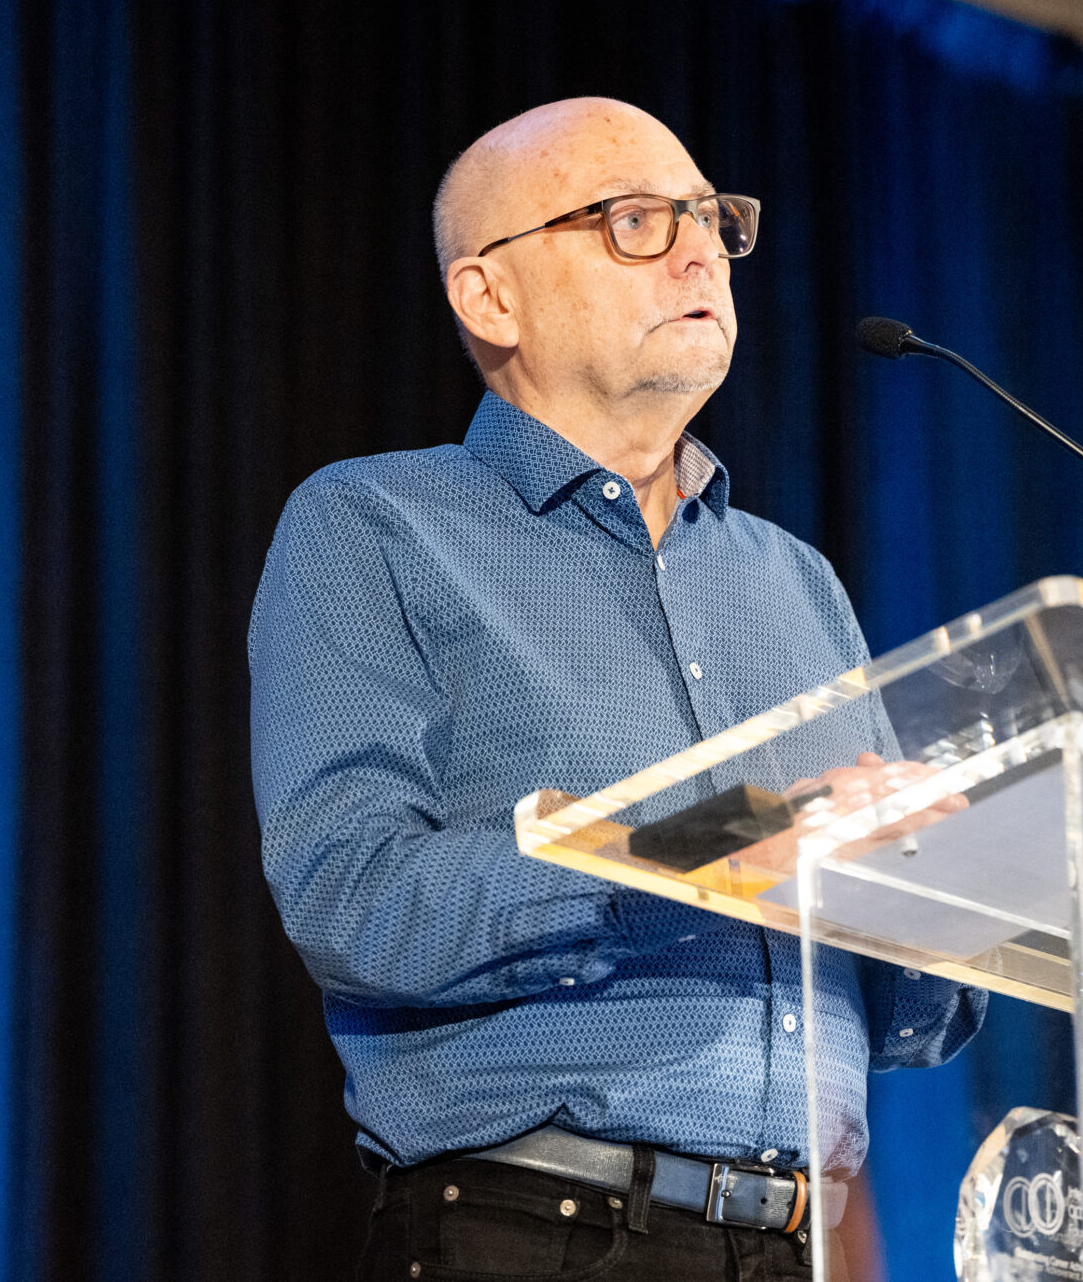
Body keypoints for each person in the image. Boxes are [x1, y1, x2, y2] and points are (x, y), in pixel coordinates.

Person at [249, 97, 985, 1281]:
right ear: (490, 296)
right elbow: (354, 901)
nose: (702, 249)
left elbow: (912, 1020)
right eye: (635, 220)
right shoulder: (373, 524)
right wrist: (715, 841)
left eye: (711, 218)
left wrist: (946, 897)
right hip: (541, 1234)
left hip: (804, 1245)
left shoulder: (795, 582)